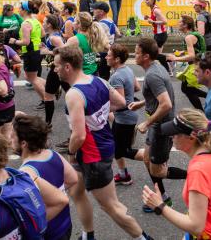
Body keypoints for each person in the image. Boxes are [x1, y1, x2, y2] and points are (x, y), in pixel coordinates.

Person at [55, 45, 153, 240]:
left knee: (111, 205)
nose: (54, 69)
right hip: (102, 144)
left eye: (57, 66)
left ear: (67, 67)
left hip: (93, 154)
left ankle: (143, 238)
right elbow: (119, 102)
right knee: (77, 191)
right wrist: (100, 115)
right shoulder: (98, 80)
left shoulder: (74, 94)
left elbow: (79, 135)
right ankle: (87, 234)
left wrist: (71, 155)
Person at [142, 108, 211, 239]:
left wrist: (159, 205)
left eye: (175, 133)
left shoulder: (198, 170)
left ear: (192, 137)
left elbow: (196, 226)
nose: (171, 136)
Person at [128, 38, 187, 211]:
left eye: (137, 53)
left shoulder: (153, 75)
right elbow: (157, 96)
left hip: (161, 127)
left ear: (146, 56)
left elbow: (166, 104)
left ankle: (194, 175)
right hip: (157, 125)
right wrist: (141, 104)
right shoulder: (154, 68)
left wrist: (147, 122)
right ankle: (162, 196)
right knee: (147, 159)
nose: (134, 55)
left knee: (158, 171)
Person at [13, 114, 78, 240]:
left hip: (48, 232)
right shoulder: (53, 154)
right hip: (65, 224)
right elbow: (73, 179)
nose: (10, 139)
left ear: (24, 143)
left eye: (13, 136)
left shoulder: (26, 172)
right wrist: (57, 192)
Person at [107, 43, 142, 186]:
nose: (106, 57)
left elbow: (120, 103)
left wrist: (104, 108)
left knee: (122, 150)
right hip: (128, 116)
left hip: (125, 118)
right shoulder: (127, 69)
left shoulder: (116, 77)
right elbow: (137, 87)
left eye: (109, 55)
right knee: (118, 148)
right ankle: (124, 175)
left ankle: (152, 156)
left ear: (116, 59)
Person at [9, 0, 46, 106]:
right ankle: (52, 87)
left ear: (24, 10)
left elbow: (25, 42)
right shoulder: (35, 20)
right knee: (29, 77)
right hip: (36, 51)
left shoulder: (26, 24)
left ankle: (46, 100)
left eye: (20, 8)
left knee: (32, 79)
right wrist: (36, 41)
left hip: (30, 52)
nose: (18, 10)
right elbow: (43, 34)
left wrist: (14, 41)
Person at [166, 15, 207, 110]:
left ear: (185, 25)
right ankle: (205, 105)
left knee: (187, 89)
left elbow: (192, 56)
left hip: (196, 66)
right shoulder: (195, 34)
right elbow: (197, 49)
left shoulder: (188, 37)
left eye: (179, 22)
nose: (177, 23)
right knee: (187, 89)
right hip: (200, 63)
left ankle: (203, 111)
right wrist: (181, 53)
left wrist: (174, 59)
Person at [64, 11, 108, 77]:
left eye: (75, 21)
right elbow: (109, 48)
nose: (73, 23)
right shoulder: (94, 35)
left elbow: (61, 55)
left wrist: (48, 51)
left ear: (79, 24)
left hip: (81, 76)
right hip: (94, 73)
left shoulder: (74, 40)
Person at [41, 14, 66, 125]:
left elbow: (65, 51)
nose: (42, 23)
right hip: (58, 68)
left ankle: (47, 124)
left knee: (48, 96)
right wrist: (46, 48)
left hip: (58, 68)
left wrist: (48, 52)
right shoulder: (52, 35)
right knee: (72, 92)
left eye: (44, 22)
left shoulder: (54, 37)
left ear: (49, 24)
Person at [92, 1, 117, 81]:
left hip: (101, 53)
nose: (93, 11)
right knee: (105, 75)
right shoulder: (110, 21)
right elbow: (118, 34)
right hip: (108, 51)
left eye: (95, 9)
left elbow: (97, 39)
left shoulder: (100, 24)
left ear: (101, 12)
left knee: (101, 77)